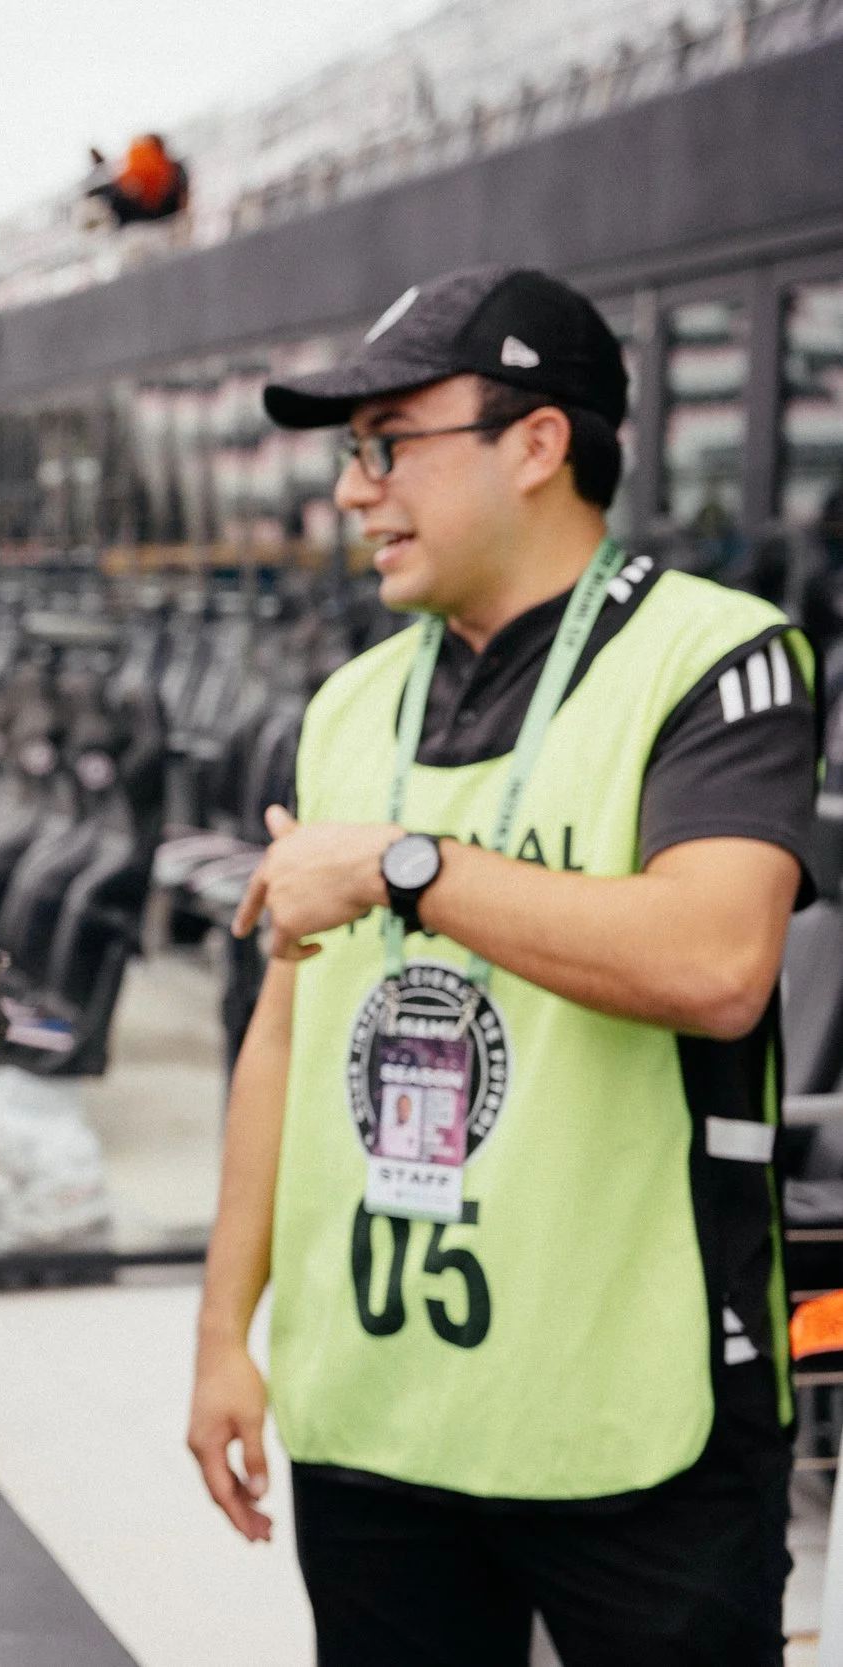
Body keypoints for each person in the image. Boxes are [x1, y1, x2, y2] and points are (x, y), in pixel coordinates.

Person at [186, 266, 814, 1665]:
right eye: (354, 452)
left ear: (537, 443)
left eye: (390, 441)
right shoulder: (352, 703)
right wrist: (226, 1328)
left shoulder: (718, 657)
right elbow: (284, 1034)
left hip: (638, 1421)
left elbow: (718, 959)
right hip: (379, 1411)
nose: (356, 489)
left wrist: (410, 864)